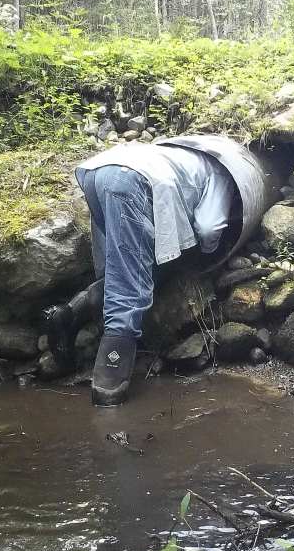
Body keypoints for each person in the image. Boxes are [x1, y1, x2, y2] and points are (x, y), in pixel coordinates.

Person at [45, 138, 237, 406]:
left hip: (99, 172)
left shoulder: (178, 155)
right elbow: (209, 227)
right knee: (130, 285)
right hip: (133, 182)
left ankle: (69, 313)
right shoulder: (220, 172)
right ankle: (109, 384)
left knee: (126, 267)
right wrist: (207, 253)